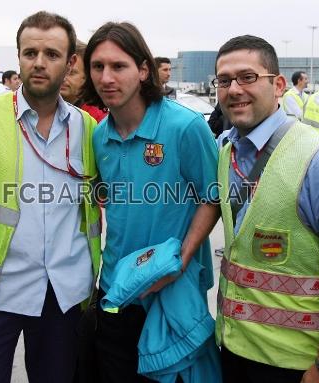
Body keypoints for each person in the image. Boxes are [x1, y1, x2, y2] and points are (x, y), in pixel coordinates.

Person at [0, 11, 101, 383]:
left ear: (71, 62)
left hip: (63, 296)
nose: (39, 63)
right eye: (30, 53)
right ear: (19, 56)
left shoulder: (87, 128)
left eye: (52, 54)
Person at [213, 35, 319, 383]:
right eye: (224, 80)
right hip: (232, 351)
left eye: (247, 77)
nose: (234, 89)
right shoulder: (225, 153)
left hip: (297, 366)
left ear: (278, 85)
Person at [82, 22, 220, 383]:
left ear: (143, 70)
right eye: (98, 67)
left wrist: (180, 261)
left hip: (169, 292)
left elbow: (213, 198)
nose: (106, 77)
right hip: (115, 289)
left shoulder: (185, 127)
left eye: (118, 66)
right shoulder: (100, 136)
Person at [60, 40, 108, 122]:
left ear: (87, 77)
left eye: (71, 73)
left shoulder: (96, 118)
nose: (63, 78)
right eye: (60, 71)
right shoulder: (40, 108)